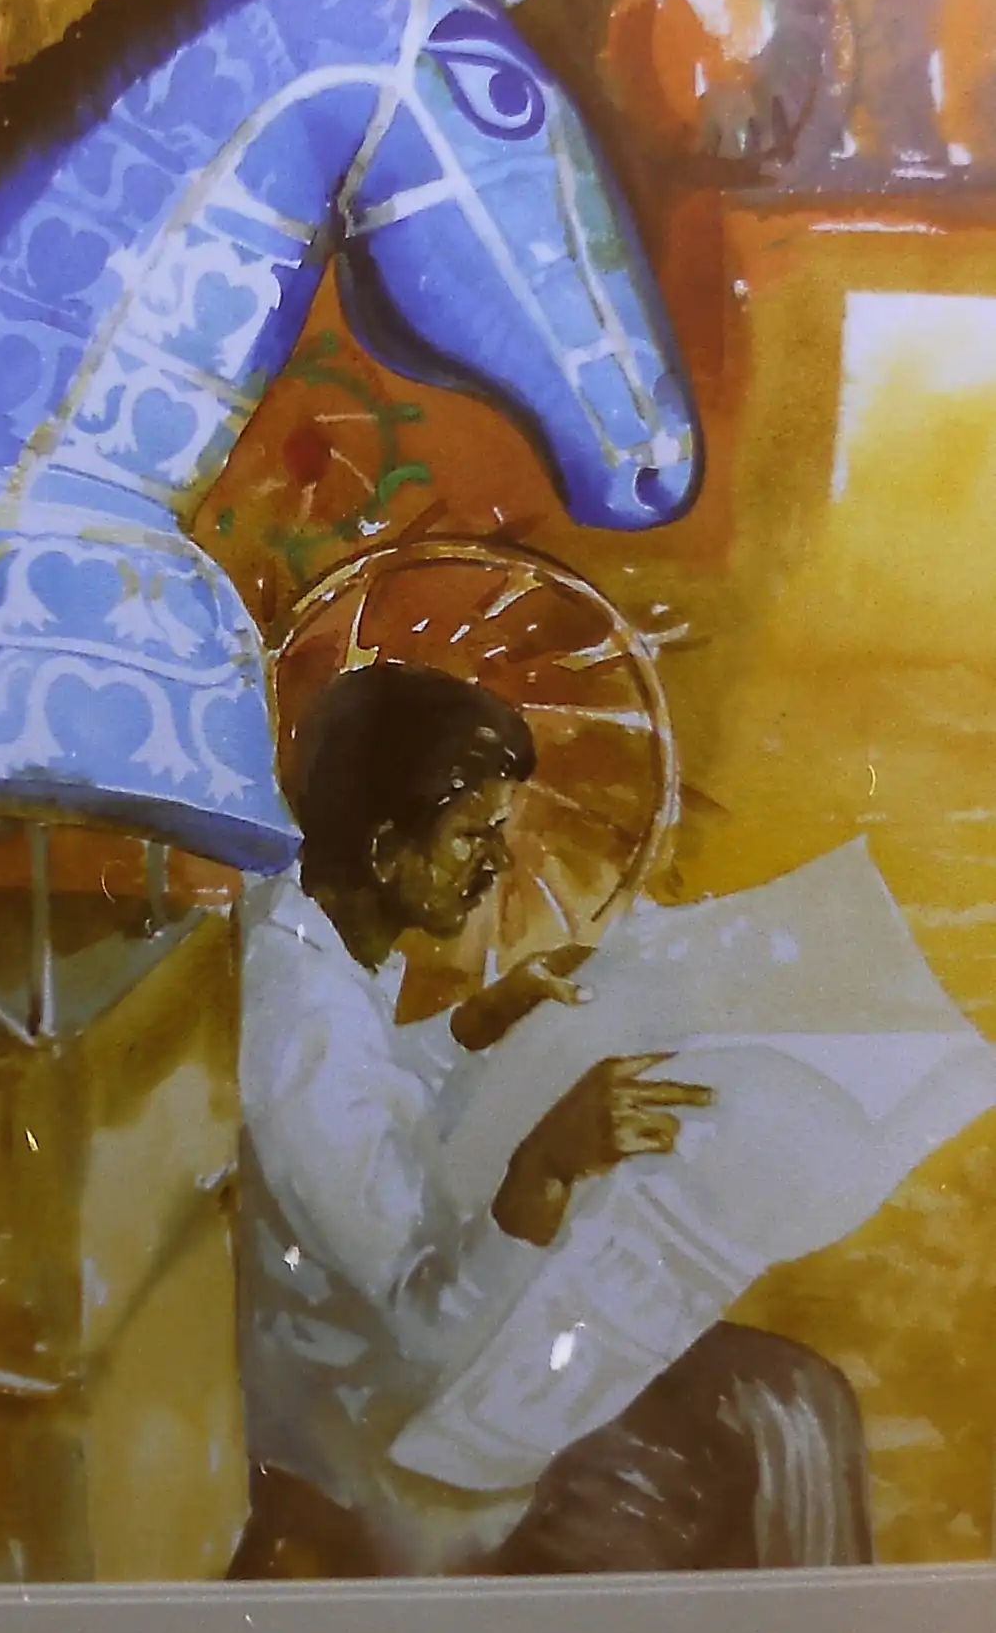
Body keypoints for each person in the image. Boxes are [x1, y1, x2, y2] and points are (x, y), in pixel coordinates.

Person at [228, 663, 872, 1579]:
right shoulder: (299, 1026)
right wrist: (547, 1171)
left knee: (795, 1404)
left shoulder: (308, 949)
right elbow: (429, 1330)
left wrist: (474, 1028)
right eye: (473, 835)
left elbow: (364, 1109)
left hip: (398, 1369)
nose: (497, 864)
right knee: (786, 1416)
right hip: (388, 1434)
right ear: (383, 849)